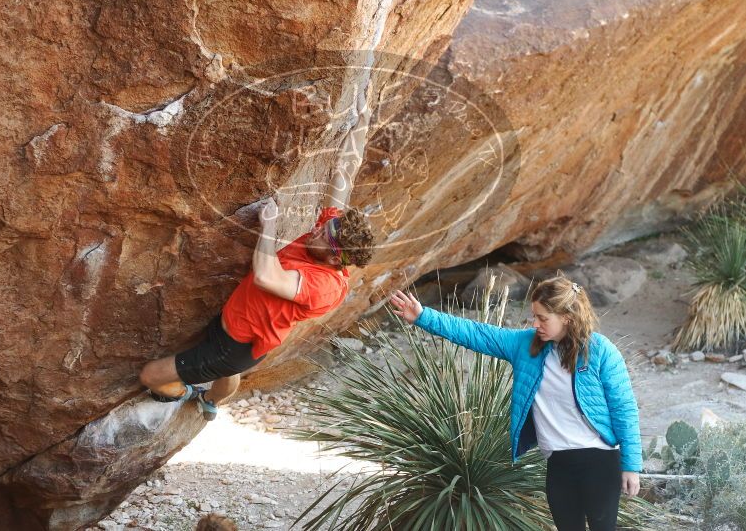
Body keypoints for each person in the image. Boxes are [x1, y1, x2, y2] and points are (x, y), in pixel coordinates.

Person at [139, 101, 375, 421]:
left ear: (336, 256)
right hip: (235, 328)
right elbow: (345, 170)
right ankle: (213, 400)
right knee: (226, 372)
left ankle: (191, 393)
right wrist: (360, 121)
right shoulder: (331, 237)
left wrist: (271, 226)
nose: (318, 227)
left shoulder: (326, 286)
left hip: (236, 347)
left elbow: (266, 275)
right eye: (327, 223)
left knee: (152, 377)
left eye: (324, 232)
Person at [388, 275, 642, 531]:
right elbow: (477, 334)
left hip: (599, 460)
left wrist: (631, 466)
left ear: (567, 317)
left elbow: (624, 409)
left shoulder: (601, 351)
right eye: (535, 316)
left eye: (543, 318)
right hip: (558, 463)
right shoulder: (526, 345)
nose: (536, 323)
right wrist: (423, 316)